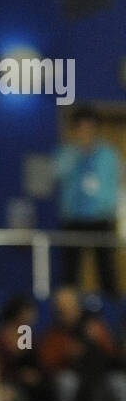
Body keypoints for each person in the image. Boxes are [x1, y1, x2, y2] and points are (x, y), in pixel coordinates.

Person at [54, 107, 121, 296]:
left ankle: (114, 315)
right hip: (74, 219)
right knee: (70, 271)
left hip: (101, 219)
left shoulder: (109, 155)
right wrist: (78, 154)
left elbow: (114, 184)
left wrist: (109, 210)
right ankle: (68, 310)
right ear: (75, 130)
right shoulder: (66, 153)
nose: (86, 132)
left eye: (89, 127)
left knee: (106, 270)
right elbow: (57, 174)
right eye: (81, 128)